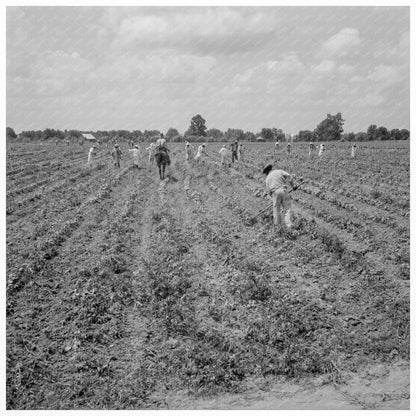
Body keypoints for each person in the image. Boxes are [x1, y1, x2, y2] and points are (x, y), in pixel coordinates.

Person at [263, 164, 298, 229]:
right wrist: (293, 185)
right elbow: (289, 176)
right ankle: (289, 226)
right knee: (287, 209)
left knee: (276, 210)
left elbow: (269, 191)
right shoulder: (279, 171)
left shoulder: (267, 179)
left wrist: (273, 199)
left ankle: (277, 227)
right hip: (283, 190)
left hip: (275, 193)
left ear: (267, 172)